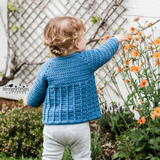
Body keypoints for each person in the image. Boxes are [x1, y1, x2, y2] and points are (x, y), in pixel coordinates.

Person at [23, 16, 128, 160]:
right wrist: (115, 39)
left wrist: (27, 100)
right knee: (83, 157)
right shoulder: (86, 60)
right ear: (77, 43)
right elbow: (104, 52)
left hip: (53, 128)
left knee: (49, 157)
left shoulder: (46, 68)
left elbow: (35, 98)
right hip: (78, 126)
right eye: (83, 37)